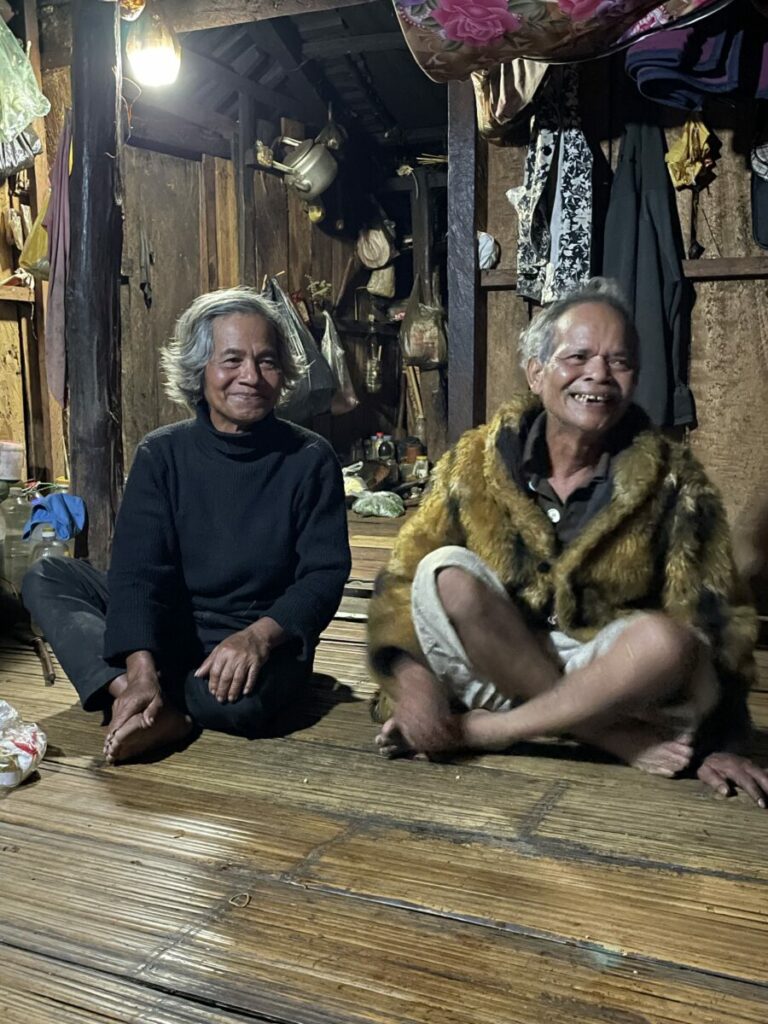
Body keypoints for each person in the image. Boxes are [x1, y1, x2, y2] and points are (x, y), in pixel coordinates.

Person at [367, 278, 768, 806]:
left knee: (664, 641)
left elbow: (718, 617)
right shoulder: (475, 460)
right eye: (577, 356)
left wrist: (725, 741)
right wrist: (412, 680)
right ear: (536, 373)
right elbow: (401, 579)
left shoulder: (674, 481)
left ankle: (487, 731)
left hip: (609, 682)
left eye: (618, 361)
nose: (598, 374)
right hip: (494, 666)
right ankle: (601, 734)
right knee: (445, 571)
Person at [23, 287, 351, 763]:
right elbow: (137, 572)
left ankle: (160, 704)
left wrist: (258, 638)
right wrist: (139, 664)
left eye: (267, 361)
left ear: (283, 375)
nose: (251, 377)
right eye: (232, 360)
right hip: (169, 624)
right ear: (200, 370)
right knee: (47, 577)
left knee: (245, 706)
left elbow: (324, 575)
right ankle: (139, 692)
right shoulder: (162, 455)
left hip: (253, 634)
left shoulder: (309, 458)